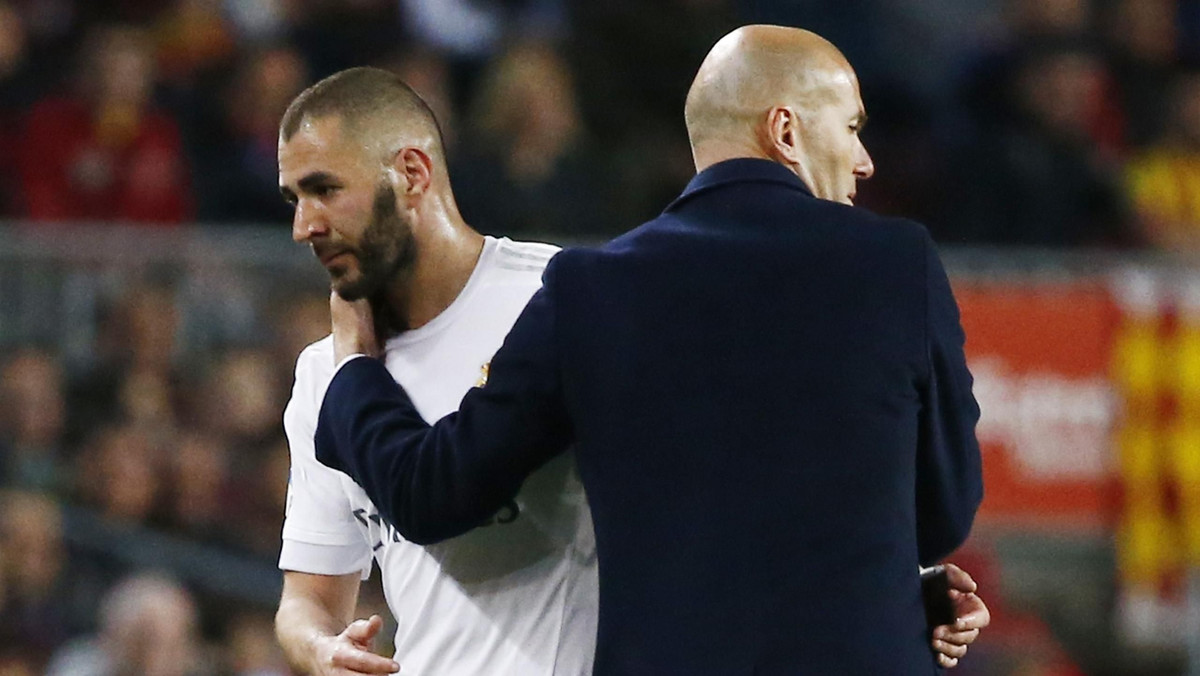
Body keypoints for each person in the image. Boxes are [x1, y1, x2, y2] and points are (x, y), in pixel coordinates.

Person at [314, 26, 985, 675]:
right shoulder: (899, 266)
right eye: (852, 127)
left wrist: (353, 371)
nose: (865, 160)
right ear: (786, 131)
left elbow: (434, 492)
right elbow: (943, 510)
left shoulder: (593, 288)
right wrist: (888, 585)